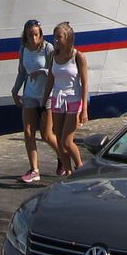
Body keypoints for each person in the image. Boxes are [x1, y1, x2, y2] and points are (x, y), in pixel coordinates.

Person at [11, 19, 60, 184]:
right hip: (30, 94)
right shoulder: (23, 49)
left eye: (36, 35)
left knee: (46, 135)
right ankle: (34, 170)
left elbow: (56, 71)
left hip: (46, 95)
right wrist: (14, 91)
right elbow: (22, 72)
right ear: (25, 35)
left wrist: (42, 71)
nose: (33, 38)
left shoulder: (47, 49)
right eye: (30, 35)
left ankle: (63, 157)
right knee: (28, 132)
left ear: (40, 35)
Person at [44, 22, 90, 174]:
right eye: (54, 37)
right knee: (58, 139)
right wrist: (45, 99)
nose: (56, 40)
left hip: (73, 99)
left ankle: (80, 166)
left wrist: (84, 110)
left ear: (68, 37)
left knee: (66, 141)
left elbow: (84, 83)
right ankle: (68, 172)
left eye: (59, 37)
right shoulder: (53, 56)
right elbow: (50, 78)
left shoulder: (78, 56)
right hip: (58, 99)